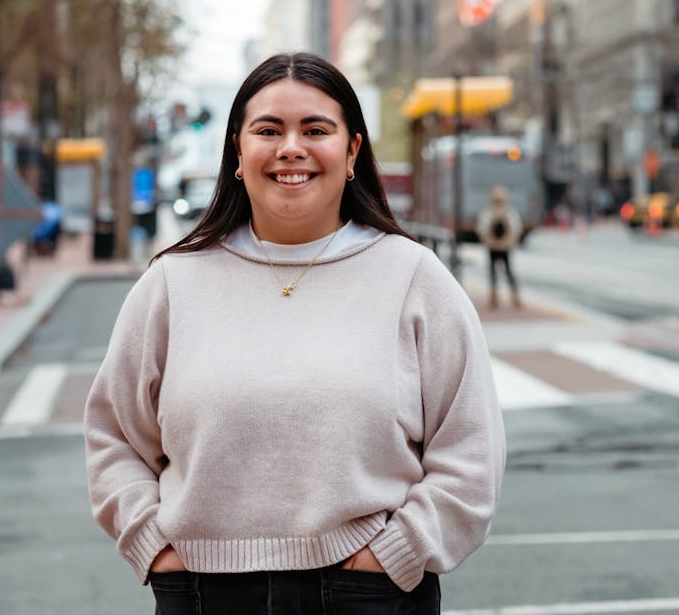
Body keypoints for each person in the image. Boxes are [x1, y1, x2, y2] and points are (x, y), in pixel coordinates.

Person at [84, 52, 505, 614]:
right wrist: (151, 544)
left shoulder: (415, 278)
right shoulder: (171, 283)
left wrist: (397, 554)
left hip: (368, 595)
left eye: (315, 130)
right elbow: (114, 435)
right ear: (237, 151)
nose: (290, 148)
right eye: (268, 130)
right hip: (204, 595)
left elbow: (472, 451)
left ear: (352, 152)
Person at [476, 185, 523, 310]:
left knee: (504, 272)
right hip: (498, 247)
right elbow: (516, 229)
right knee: (499, 273)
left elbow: (482, 229)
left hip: (501, 247)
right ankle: (497, 297)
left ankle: (510, 296)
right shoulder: (494, 213)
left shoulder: (496, 213)